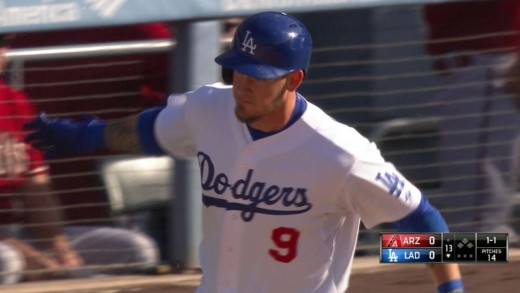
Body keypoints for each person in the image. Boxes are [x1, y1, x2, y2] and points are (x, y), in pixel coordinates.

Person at [24, 12, 465, 293]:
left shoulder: (341, 154)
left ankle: (490, 246)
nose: (243, 85)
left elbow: (422, 219)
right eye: (237, 71)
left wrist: (451, 287)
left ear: (293, 79)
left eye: (259, 76)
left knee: (473, 246)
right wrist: (84, 135)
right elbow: (147, 130)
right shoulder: (208, 109)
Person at [0, 33, 159, 284]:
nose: (1, 51)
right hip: (8, 246)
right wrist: (21, 250)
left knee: (136, 249)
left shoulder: (13, 100)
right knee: (7, 262)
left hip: (21, 234)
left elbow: (38, 194)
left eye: (3, 42)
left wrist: (58, 248)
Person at [423, 0, 520, 235]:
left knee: (477, 227)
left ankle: (397, 253)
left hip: (491, 71)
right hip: (472, 72)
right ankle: (398, 252)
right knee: (474, 222)